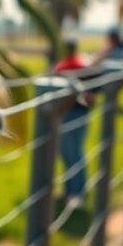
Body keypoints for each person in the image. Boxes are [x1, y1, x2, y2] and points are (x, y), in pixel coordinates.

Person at [53, 39, 91, 209]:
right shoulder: (82, 65)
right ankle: (71, 191)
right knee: (72, 153)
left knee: (71, 154)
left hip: (69, 114)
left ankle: (76, 194)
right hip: (80, 113)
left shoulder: (64, 67)